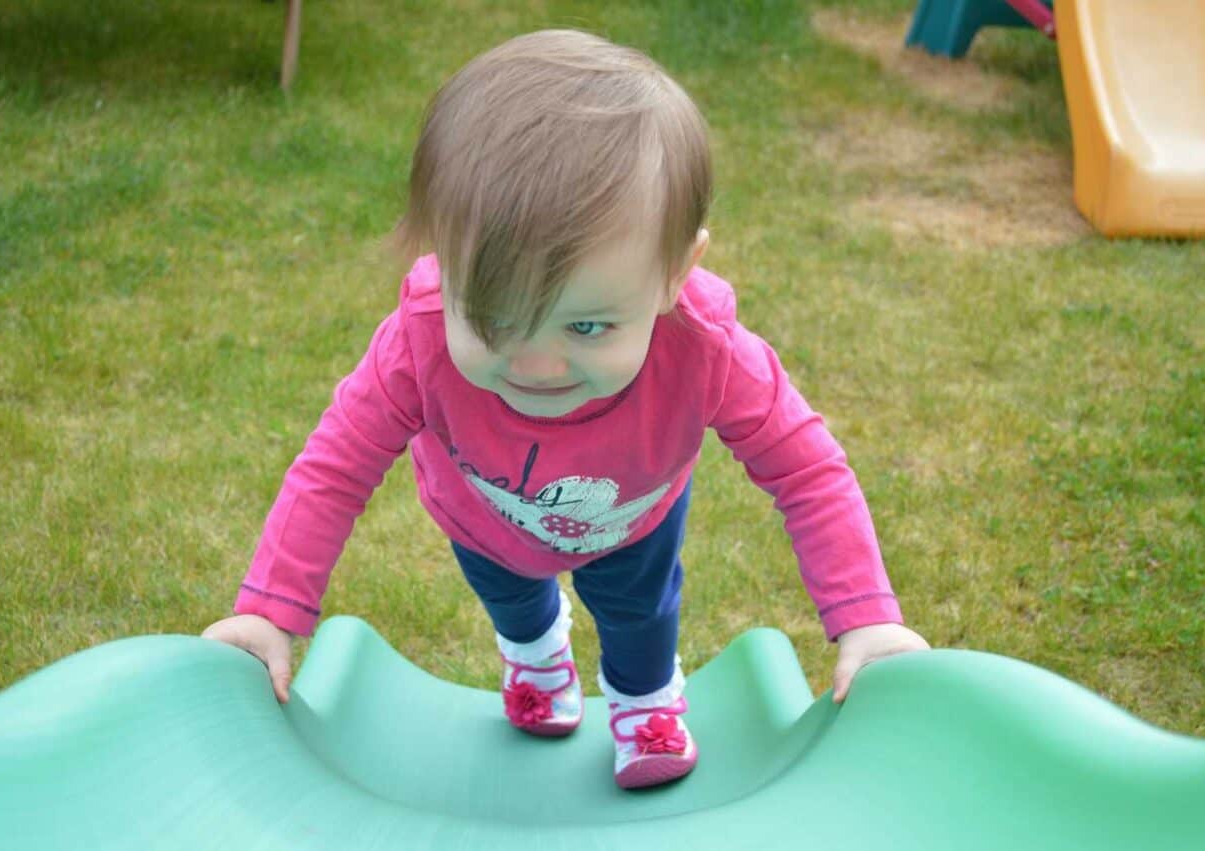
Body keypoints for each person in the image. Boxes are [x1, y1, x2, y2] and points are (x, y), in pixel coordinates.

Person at [202, 28, 929, 789]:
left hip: (632, 521)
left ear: (675, 273)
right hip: (484, 518)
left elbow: (806, 469)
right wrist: (270, 612)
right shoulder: (416, 345)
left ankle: (646, 703)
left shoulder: (707, 350)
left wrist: (865, 617)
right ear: (443, 264)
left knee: (639, 615)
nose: (537, 364)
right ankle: (536, 657)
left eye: (587, 325)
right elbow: (335, 466)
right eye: (491, 318)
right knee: (513, 600)